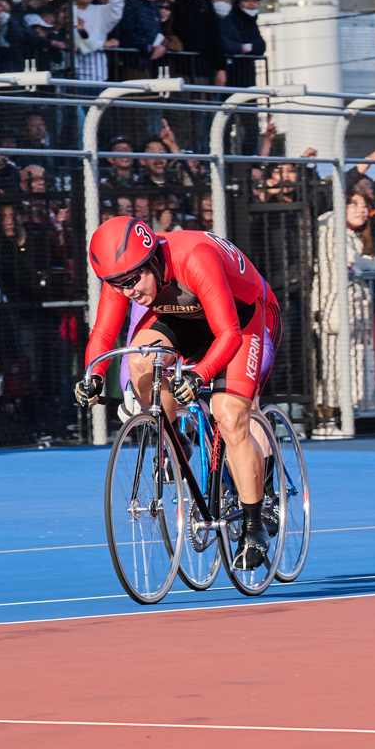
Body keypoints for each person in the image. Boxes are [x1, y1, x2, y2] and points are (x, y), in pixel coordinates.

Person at [74, 220, 284, 569]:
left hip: (245, 319)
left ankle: (254, 523)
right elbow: (103, 332)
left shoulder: (195, 258)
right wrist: (93, 375)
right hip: (183, 315)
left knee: (231, 416)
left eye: (132, 281)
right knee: (139, 361)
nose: (127, 291)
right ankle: (176, 443)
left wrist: (201, 373)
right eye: (116, 284)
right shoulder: (125, 274)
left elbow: (229, 335)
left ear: (153, 261)